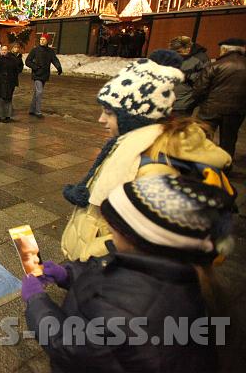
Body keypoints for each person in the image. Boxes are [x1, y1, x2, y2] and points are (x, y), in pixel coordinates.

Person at [23, 174, 234, 373]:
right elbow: (108, 270)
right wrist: (68, 273)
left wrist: (37, 302)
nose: (109, 228)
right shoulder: (163, 268)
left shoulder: (132, 313)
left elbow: (70, 345)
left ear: (140, 237)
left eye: (115, 225)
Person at [60, 56, 232, 262]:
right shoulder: (132, 144)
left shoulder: (154, 164)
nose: (101, 119)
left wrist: (90, 257)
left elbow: (145, 240)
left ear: (134, 117)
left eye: (109, 113)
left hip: (109, 264)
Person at [192, 38, 246, 160]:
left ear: (224, 50)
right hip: (236, 111)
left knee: (203, 136)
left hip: (210, 108)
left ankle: (200, 163)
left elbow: (199, 89)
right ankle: (224, 165)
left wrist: (198, 102)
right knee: (229, 140)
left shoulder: (215, 65)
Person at [169, 35, 209, 117]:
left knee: (179, 126)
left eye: (179, 51)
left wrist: (187, 75)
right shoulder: (175, 55)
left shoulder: (201, 58)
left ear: (188, 48)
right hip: (169, 99)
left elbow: (204, 79)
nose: (176, 54)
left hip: (184, 101)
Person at [25, 34, 62, 118]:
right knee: (39, 92)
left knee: (37, 93)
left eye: (43, 39)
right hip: (37, 74)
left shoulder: (50, 51)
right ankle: (37, 112)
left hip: (45, 75)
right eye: (41, 39)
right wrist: (35, 67)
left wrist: (59, 67)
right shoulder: (35, 50)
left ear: (47, 41)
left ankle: (32, 109)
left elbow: (54, 60)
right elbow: (27, 61)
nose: (41, 41)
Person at [0, 44, 24, 122]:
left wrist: (13, 81)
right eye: (2, 50)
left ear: (7, 51)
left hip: (8, 83)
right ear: (0, 51)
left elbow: (16, 69)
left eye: (5, 50)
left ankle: (7, 116)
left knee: (7, 99)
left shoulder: (12, 59)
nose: (4, 51)